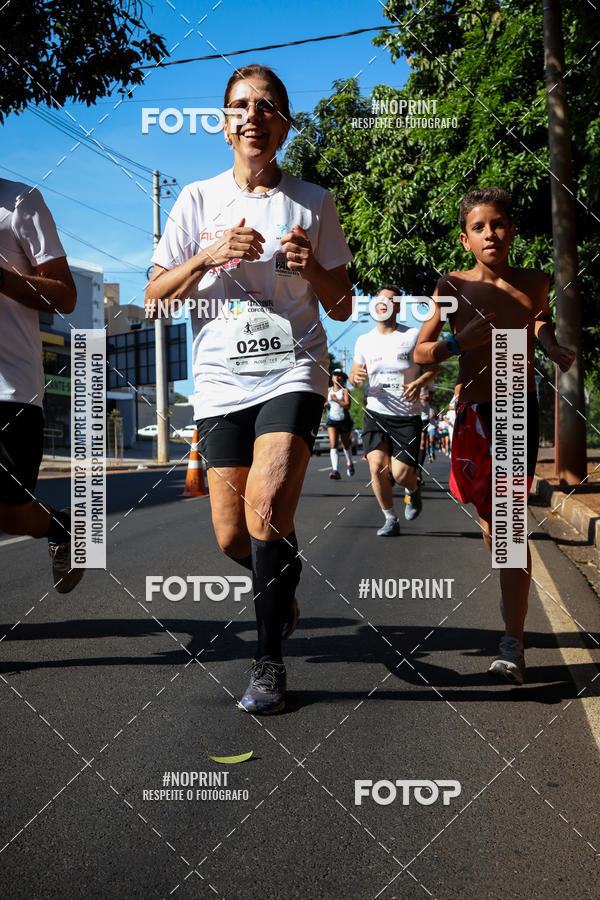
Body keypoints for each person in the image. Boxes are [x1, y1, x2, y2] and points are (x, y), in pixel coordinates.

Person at [145, 64, 353, 714]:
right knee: (234, 536)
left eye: (267, 106)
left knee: (268, 508)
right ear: (225, 123)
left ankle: (268, 663)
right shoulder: (196, 201)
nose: (253, 115)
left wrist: (313, 268)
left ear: (284, 124)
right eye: (240, 105)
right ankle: (280, 583)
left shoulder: (313, 201)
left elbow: (343, 305)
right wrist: (208, 256)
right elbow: (154, 296)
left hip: (293, 368)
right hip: (218, 382)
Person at [414, 186, 575, 684]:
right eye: (479, 227)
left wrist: (548, 342)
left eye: (499, 224)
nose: (491, 233)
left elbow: (538, 317)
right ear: (466, 239)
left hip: (512, 404)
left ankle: (513, 642)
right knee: (492, 524)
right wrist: (457, 342)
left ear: (512, 231)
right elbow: (421, 352)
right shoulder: (450, 285)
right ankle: (513, 601)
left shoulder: (534, 281)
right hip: (472, 412)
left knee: (507, 524)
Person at [0, 178, 83, 593]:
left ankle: (62, 525)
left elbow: (65, 295)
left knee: (11, 513)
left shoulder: (18, 201)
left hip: (8, 389)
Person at [349, 286, 438, 536]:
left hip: (407, 416)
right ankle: (390, 518)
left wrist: (419, 383)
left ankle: (413, 489)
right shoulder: (364, 340)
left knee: (400, 474)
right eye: (379, 300)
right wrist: (354, 377)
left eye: (390, 300)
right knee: (377, 467)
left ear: (398, 307)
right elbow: (355, 377)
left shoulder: (412, 336)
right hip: (375, 412)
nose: (383, 303)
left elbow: (434, 368)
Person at [325, 369, 354, 479]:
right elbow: (325, 402)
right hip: (332, 420)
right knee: (333, 444)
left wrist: (336, 400)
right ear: (332, 378)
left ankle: (350, 463)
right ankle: (335, 470)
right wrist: (326, 403)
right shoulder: (329, 390)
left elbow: (347, 405)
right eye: (335, 375)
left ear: (343, 378)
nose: (337, 377)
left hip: (344, 420)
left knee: (345, 445)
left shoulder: (345, 391)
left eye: (340, 376)